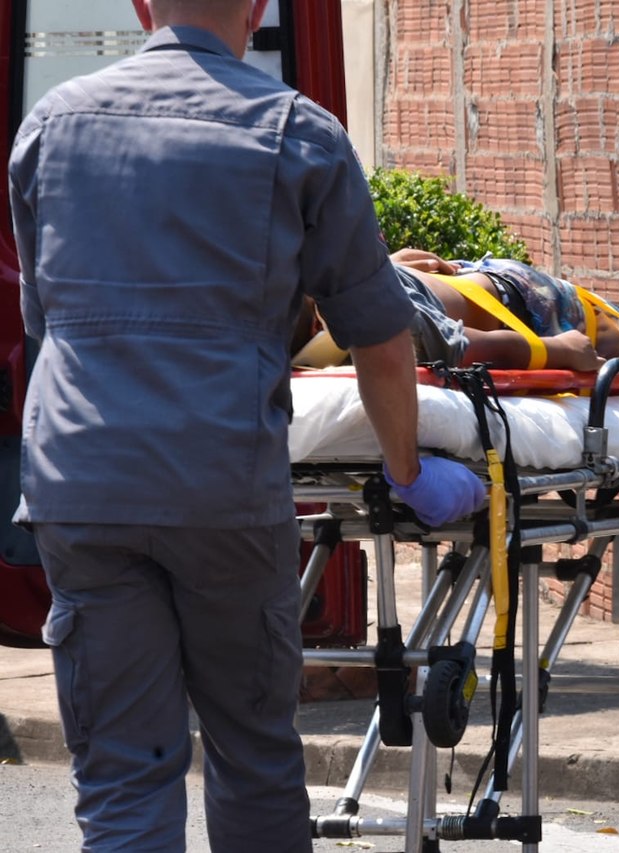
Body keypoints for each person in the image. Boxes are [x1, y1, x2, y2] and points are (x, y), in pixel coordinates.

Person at [7, 2, 483, 850]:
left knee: (121, 772)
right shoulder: (297, 134)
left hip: (83, 483)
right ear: (261, 8)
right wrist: (408, 472)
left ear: (141, 5)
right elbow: (378, 336)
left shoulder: (52, 125)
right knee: (254, 758)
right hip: (221, 486)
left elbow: (47, 324)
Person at [293, 248, 619, 372]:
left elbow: (461, 345)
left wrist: (390, 268)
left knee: (616, 333)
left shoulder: (351, 308)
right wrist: (553, 351)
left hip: (516, 296)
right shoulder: (354, 311)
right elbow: (462, 347)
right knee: (614, 332)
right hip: (516, 302)